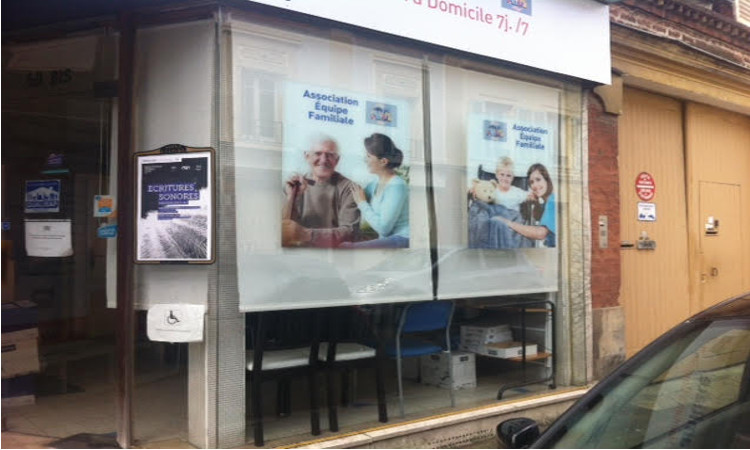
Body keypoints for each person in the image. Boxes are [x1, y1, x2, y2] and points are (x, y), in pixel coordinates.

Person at [281, 135, 360, 248]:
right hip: (297, 257)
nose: (323, 160)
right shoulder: (293, 185)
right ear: (307, 156)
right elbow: (283, 230)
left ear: (337, 160)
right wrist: (291, 197)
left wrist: (306, 234)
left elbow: (350, 232)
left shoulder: (349, 188)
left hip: (334, 257)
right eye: (318, 153)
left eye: (329, 155)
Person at [340, 133, 409, 248]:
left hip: (402, 239)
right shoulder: (374, 184)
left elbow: (384, 228)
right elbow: (355, 196)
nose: (365, 160)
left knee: (346, 248)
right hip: (388, 240)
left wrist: (362, 203)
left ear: (383, 162)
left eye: (368, 156)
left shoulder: (397, 186)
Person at [493, 163, 556, 247]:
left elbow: (541, 233)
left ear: (547, 180)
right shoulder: (545, 202)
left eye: (538, 179)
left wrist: (508, 222)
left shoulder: (552, 201)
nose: (535, 185)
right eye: (532, 182)